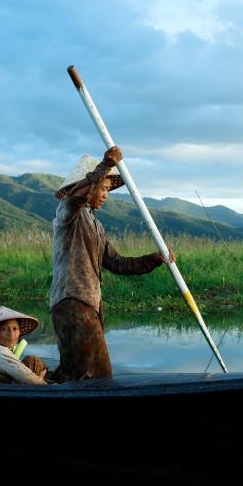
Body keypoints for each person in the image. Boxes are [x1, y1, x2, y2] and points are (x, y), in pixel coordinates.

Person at [48, 146, 172, 381]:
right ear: (88, 187)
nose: (106, 194)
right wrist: (105, 166)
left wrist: (155, 259)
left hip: (87, 303)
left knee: (76, 372)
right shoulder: (67, 212)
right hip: (72, 300)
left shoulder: (96, 226)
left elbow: (117, 263)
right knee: (98, 373)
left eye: (107, 189)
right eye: (103, 188)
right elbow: (77, 196)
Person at [0, 306, 48, 385]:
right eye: (5, 329)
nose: (11, 334)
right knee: (34, 363)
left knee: (31, 360)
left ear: (19, 331)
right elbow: (31, 380)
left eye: (15, 329)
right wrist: (49, 387)